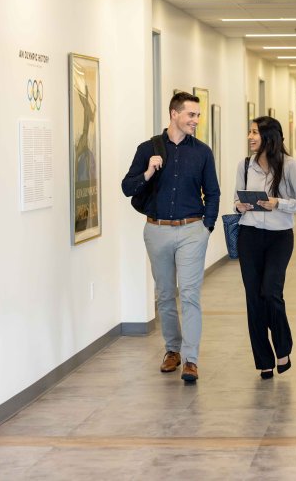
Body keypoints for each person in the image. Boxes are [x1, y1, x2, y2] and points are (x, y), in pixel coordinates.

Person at [121, 92, 220, 383]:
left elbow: (212, 192)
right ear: (174, 114)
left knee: (189, 295)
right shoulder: (146, 149)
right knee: (165, 294)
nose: (196, 121)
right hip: (157, 230)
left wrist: (207, 227)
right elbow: (127, 188)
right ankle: (172, 351)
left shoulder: (202, 152)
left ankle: (191, 359)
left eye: (198, 115)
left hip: (192, 230)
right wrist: (149, 171)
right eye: (191, 115)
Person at [234, 116, 296, 379]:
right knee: (253, 299)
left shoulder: (290, 166)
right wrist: (239, 205)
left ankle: (283, 347)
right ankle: (263, 360)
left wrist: (278, 203)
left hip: (280, 237)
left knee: (271, 292)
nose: (250, 137)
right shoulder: (245, 165)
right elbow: (236, 197)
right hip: (249, 235)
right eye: (250, 132)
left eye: (254, 132)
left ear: (269, 136)